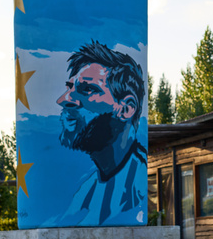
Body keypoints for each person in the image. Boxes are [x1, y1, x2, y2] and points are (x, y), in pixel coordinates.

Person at [48, 40, 147, 226]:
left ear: (126, 109)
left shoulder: (138, 186)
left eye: (87, 89)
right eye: (70, 87)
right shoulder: (87, 190)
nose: (64, 99)